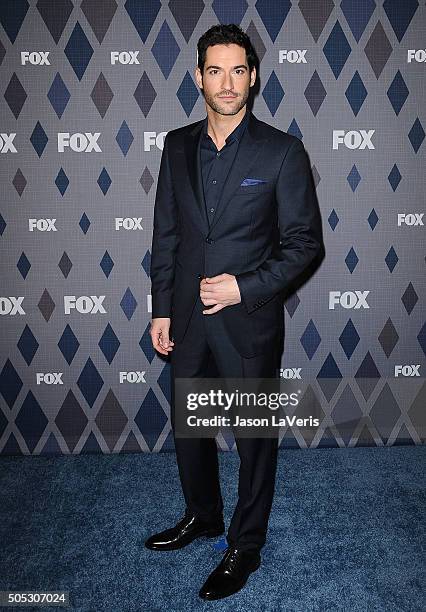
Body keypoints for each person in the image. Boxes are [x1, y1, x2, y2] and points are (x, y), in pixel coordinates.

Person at [146, 23, 324, 600]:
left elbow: (304, 245)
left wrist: (243, 288)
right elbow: (168, 233)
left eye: (239, 70)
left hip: (247, 320)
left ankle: (245, 547)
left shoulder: (281, 150)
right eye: (215, 70)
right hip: (186, 318)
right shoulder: (176, 145)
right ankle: (203, 515)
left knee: (253, 437)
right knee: (190, 429)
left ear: (252, 76)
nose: (227, 83)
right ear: (198, 77)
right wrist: (161, 308)